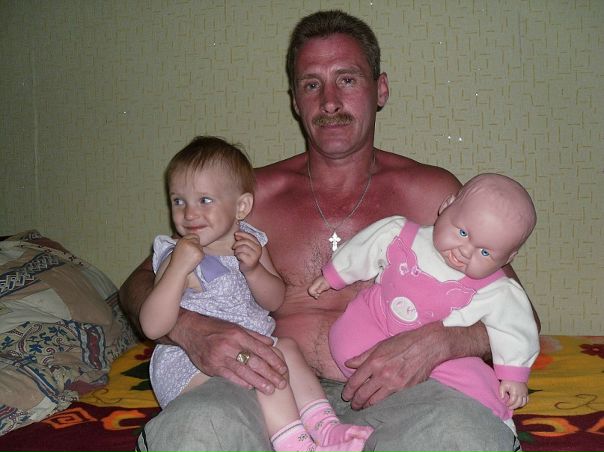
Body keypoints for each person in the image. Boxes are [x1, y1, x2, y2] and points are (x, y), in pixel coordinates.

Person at [121, 10, 539, 451]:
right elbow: (136, 286)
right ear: (295, 101)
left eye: (347, 80)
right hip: (268, 391)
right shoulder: (248, 196)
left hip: (404, 398)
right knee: (196, 429)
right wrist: (190, 329)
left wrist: (440, 343)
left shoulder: (431, 194)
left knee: (463, 436)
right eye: (311, 85)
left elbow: (520, 315)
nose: (329, 102)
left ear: (380, 89)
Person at [140, 135, 373, 452]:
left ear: (241, 206)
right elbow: (153, 326)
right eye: (178, 201)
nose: (189, 213)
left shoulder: (251, 241)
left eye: (204, 200)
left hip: (252, 348)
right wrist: (178, 269)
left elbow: (274, 300)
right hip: (191, 365)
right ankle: (295, 445)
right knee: (268, 362)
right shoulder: (178, 255)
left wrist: (254, 271)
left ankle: (326, 427)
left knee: (286, 348)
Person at [308, 173, 540, 433]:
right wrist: (334, 275)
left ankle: (501, 420)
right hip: (376, 318)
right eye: (463, 232)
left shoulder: (497, 289)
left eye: (485, 252)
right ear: (446, 205)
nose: (465, 251)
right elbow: (365, 248)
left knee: (478, 382)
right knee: (346, 340)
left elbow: (515, 328)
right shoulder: (401, 235)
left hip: (439, 355)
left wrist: (514, 375)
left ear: (508, 258)